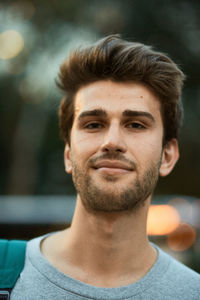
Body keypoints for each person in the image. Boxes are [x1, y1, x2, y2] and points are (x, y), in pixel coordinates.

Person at [11, 35, 200, 299]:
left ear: (167, 156)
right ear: (68, 154)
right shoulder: (5, 271)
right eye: (93, 124)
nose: (112, 142)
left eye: (135, 125)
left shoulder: (192, 292)